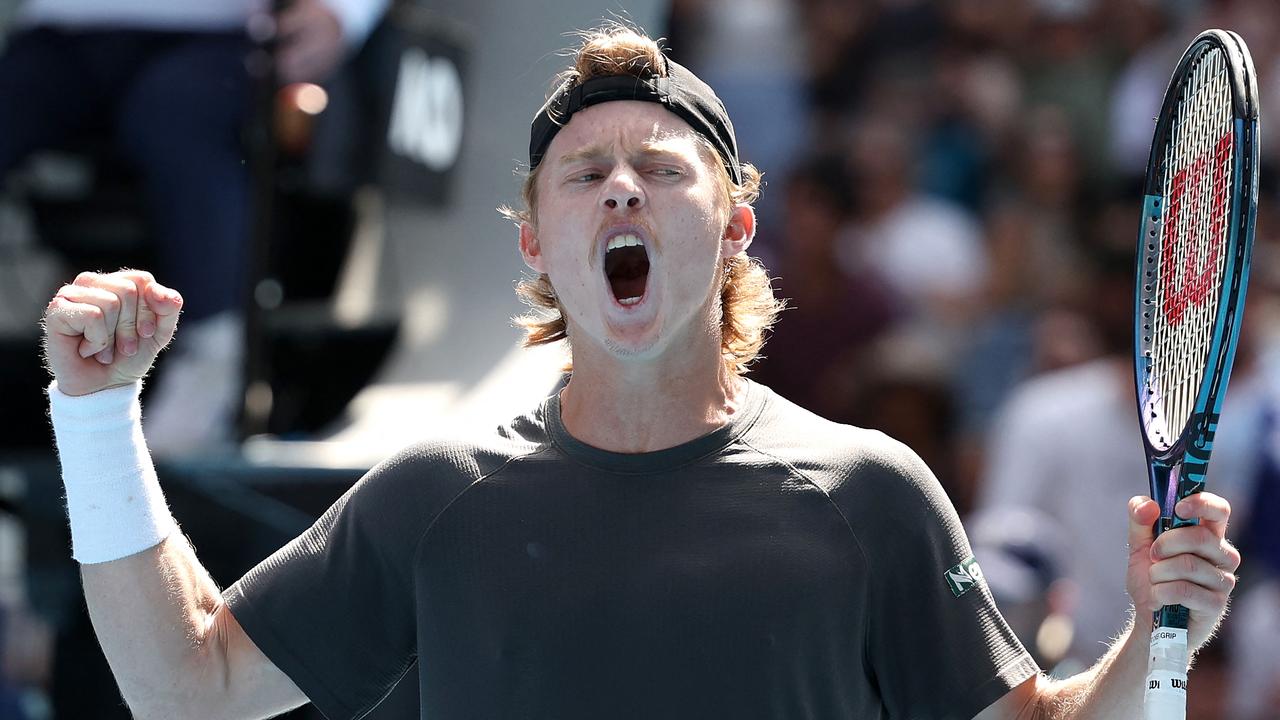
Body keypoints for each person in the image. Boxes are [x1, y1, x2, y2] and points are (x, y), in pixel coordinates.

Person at [39, 24, 1241, 720]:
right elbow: (185, 691)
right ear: (535, 246)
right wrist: (94, 419)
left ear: (731, 232)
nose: (621, 184)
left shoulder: (869, 491)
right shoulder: (431, 495)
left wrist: (1150, 628)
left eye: (661, 169)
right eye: (583, 172)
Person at [2, 0, 387, 455]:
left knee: (177, 114)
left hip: (227, 40)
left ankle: (212, 365)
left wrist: (342, 11)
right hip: (59, 35)